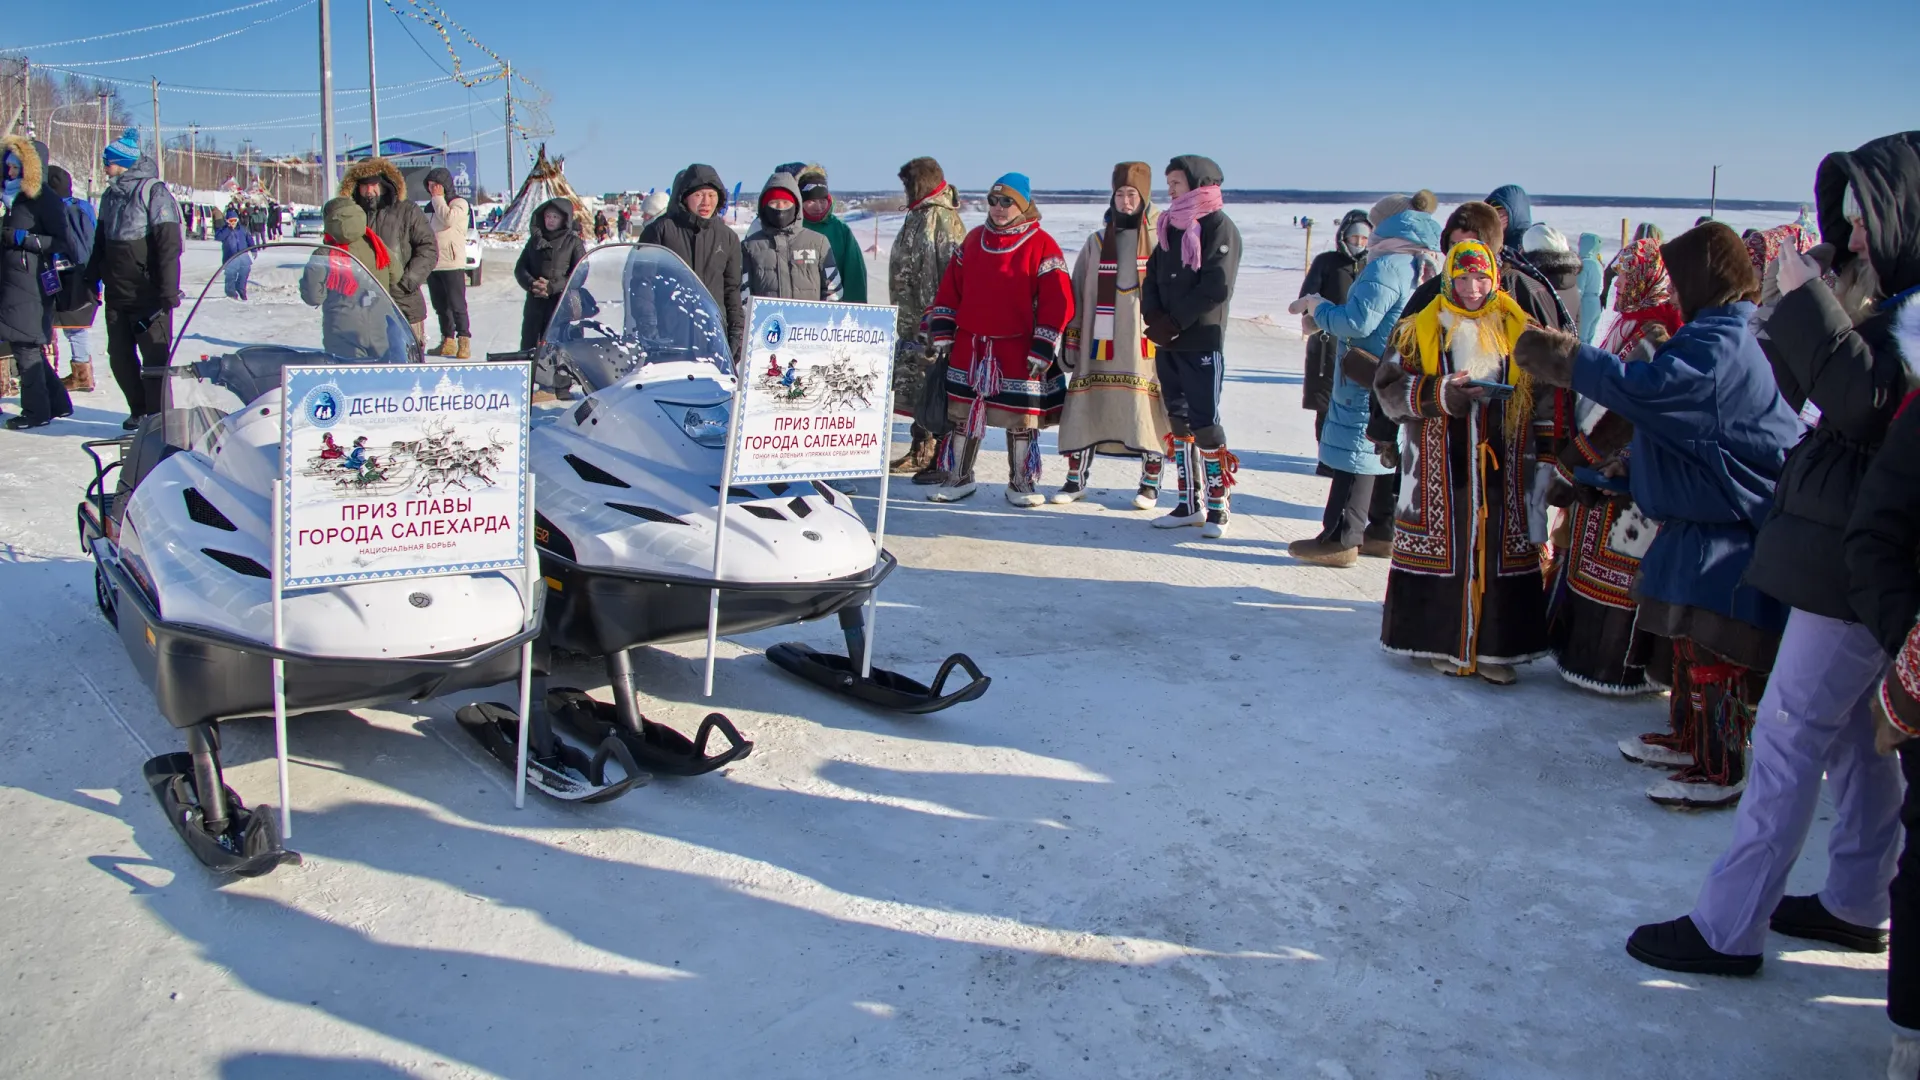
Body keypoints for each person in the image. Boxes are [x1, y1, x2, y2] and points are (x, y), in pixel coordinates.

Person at [1612, 132, 1920, 978]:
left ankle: (1727, 925)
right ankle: (1858, 898)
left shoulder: (1916, 314)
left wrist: (1810, 300)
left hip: (1860, 559)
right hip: (1856, 551)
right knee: (1861, 739)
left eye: (1864, 221)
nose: (1851, 237)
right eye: (1845, 220)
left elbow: (1864, 404)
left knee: (1788, 738)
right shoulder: (1892, 302)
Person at [1513, 223, 1799, 816]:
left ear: (1702, 278)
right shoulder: (1716, 330)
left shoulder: (1718, 342)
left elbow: (1646, 391)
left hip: (1730, 517)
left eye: (1678, 276)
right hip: (1701, 511)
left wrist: (1566, 358)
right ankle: (1688, 739)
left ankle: (1721, 767)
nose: (1669, 289)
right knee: (1687, 637)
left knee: (1714, 641)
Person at [1369, 240, 1546, 683]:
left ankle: (1494, 650)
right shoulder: (1418, 327)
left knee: (1495, 546)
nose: (1472, 287)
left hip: (1502, 461)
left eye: (1481, 277)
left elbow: (1545, 391)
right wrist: (1440, 393)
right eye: (1463, 277)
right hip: (1437, 464)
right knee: (1447, 546)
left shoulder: (1518, 326)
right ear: (1448, 277)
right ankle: (1441, 642)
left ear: (1495, 277)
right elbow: (1388, 389)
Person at [1545, 237, 1683, 701]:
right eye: (1616, 276)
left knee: (1620, 568)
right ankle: (1581, 653)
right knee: (1590, 560)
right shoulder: (1626, 322)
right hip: (1599, 462)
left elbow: (1627, 409)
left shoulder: (1657, 332)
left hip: (1624, 469)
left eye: (1625, 277)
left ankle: (1617, 666)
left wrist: (1583, 454)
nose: (1616, 285)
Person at [1288, 193, 1441, 566]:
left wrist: (1318, 307)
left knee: (1356, 450)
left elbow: (1357, 322)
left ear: (1386, 225)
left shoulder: (1386, 264)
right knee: (1381, 446)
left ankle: (1340, 538)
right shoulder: (1420, 261)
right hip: (1395, 368)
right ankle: (1382, 530)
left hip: (1365, 370)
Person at [924, 173, 1074, 506]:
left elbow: (1058, 298)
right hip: (971, 346)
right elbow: (951, 287)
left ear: (1022, 205)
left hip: (1018, 349)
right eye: (993, 201)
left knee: (1021, 420)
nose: (999, 208)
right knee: (963, 417)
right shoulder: (974, 239)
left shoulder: (1041, 244)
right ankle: (959, 476)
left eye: (1007, 202)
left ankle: (1021, 482)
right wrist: (944, 329)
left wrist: (1045, 343)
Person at [1053, 162, 1170, 508]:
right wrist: (1071, 340)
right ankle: (1075, 480)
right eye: (1119, 194)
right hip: (1098, 347)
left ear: (1145, 197)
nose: (1125, 200)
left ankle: (1149, 483)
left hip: (1143, 348)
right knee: (1088, 409)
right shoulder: (1097, 242)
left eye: (1132, 194)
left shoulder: (1162, 241)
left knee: (1145, 413)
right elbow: (1075, 293)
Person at [1142, 155, 1242, 538]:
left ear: (1199, 183)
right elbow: (1152, 274)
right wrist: (1154, 316)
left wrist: (1175, 322)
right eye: (1168, 182)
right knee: (1178, 420)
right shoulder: (1170, 225)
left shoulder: (1219, 226)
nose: (1170, 189)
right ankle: (1188, 503)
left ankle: (1218, 507)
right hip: (1168, 341)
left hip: (1200, 339)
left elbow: (1215, 286)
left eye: (1177, 182)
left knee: (1204, 423)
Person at [84, 128, 182, 429]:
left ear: (123, 163)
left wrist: (167, 289)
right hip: (117, 293)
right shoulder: (111, 196)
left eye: (108, 162)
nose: (104, 167)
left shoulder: (154, 192)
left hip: (148, 294)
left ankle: (157, 416)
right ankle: (138, 409)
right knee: (120, 357)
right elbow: (101, 242)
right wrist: (91, 276)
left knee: (154, 361)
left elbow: (168, 245)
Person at [888, 156, 967, 480]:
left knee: (932, 388)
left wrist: (940, 321)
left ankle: (934, 453)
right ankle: (920, 448)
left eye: (908, 184)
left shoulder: (942, 220)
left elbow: (951, 275)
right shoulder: (919, 216)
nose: (905, 190)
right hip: (913, 322)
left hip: (932, 324)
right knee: (918, 389)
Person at [1, 136, 73, 429]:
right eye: (6, 165)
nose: (9, 171)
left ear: (30, 167)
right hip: (10, 281)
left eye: (15, 166)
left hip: (31, 282)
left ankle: (36, 412)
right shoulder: (9, 196)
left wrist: (25, 239)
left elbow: (62, 241)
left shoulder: (43, 199)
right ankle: (57, 402)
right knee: (26, 343)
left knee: (25, 344)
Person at [639, 164, 744, 360]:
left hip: (712, 335)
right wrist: (648, 328)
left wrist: (736, 332)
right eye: (699, 195)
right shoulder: (659, 231)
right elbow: (642, 283)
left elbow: (732, 290)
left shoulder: (727, 238)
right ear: (685, 196)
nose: (706, 202)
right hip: (668, 335)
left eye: (711, 195)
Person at [338, 156, 437, 356]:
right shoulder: (349, 216)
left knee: (408, 368)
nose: (369, 191)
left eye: (374, 184)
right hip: (361, 306)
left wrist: (406, 282)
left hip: (403, 303)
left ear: (384, 183)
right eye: (364, 185)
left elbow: (429, 248)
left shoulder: (406, 210)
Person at [300, 197, 404, 360]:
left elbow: (313, 297)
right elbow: (396, 274)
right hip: (381, 325)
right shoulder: (376, 244)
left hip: (342, 330)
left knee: (349, 380)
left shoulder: (324, 253)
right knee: (382, 381)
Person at [1299, 209, 1371, 446]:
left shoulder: (1372, 265)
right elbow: (1306, 298)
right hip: (1326, 342)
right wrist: (1317, 317)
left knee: (1356, 401)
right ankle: (1325, 455)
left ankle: (1349, 452)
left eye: (1364, 239)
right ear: (1344, 237)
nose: (1358, 243)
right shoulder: (1326, 262)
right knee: (1327, 401)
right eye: (1354, 238)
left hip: (1361, 344)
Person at [742, 172, 841, 302]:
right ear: (764, 207)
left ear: (796, 206)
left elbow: (833, 289)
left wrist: (828, 319)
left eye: (785, 202)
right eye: (774, 203)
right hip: (769, 321)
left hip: (810, 321)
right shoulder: (750, 246)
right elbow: (744, 292)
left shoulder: (818, 242)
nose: (780, 209)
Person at [46, 164, 99, 395]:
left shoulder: (52, 210)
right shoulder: (84, 206)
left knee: (48, 322)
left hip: (58, 272)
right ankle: (82, 374)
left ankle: (48, 373)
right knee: (76, 325)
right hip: (85, 273)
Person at [515, 198, 586, 351]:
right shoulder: (534, 241)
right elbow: (520, 268)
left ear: (564, 219)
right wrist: (532, 284)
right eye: (548, 216)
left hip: (562, 303)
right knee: (530, 345)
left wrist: (553, 286)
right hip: (535, 302)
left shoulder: (573, 242)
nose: (551, 220)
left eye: (555, 217)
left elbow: (580, 273)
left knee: (561, 347)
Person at [795, 166, 868, 305]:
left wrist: (856, 310)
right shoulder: (792, 228)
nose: (818, 207)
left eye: (822, 201)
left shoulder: (841, 231)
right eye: (811, 201)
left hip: (834, 308)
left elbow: (855, 275)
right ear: (800, 201)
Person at [423, 166, 471, 358]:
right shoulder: (429, 207)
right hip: (434, 262)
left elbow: (449, 219)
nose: (433, 189)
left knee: (457, 304)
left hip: (452, 262)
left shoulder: (458, 203)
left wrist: (438, 199)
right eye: (430, 186)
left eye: (436, 185)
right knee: (440, 305)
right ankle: (447, 340)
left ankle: (464, 340)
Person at [215, 210, 255, 300]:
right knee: (230, 275)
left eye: (234, 220)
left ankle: (241, 290)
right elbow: (218, 237)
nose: (233, 223)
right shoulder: (224, 230)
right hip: (230, 258)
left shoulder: (243, 229)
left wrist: (253, 250)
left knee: (244, 274)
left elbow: (250, 240)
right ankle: (231, 293)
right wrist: (228, 229)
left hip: (243, 257)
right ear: (227, 221)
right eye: (230, 221)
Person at [1576, 232, 1606, 344]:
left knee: (1581, 337)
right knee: (1590, 337)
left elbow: (1579, 288)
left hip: (1585, 302)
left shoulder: (1584, 264)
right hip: (1596, 302)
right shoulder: (1598, 263)